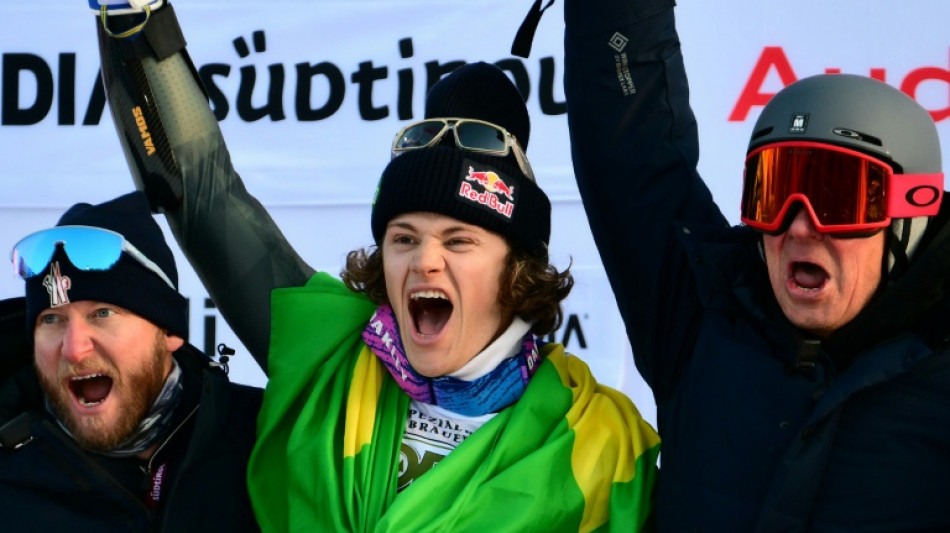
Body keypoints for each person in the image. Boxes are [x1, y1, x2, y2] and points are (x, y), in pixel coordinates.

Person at [86, 2, 661, 532]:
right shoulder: (329, 354)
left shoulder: (600, 440)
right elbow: (205, 199)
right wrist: (133, 20)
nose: (424, 262)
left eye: (458, 242)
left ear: (516, 271)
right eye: (403, 237)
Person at [554, 0, 950, 530]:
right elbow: (631, 157)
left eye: (839, 198)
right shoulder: (703, 321)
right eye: (776, 192)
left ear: (908, 218)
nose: (801, 225)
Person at [0, 191, 263, 531]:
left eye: (103, 313)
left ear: (169, 330)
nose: (73, 348)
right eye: (51, 320)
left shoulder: (265, 437)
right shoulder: (10, 480)